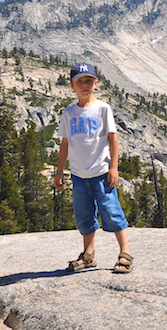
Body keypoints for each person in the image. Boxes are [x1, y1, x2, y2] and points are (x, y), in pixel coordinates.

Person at [54, 62, 133, 273]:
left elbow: (113, 138)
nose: (85, 85)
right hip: (79, 175)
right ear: (72, 86)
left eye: (89, 81)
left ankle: (125, 253)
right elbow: (65, 144)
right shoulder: (69, 113)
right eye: (80, 81)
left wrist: (114, 167)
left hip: (100, 173)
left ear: (96, 83)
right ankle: (88, 255)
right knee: (83, 217)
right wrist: (60, 171)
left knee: (112, 212)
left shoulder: (102, 109)